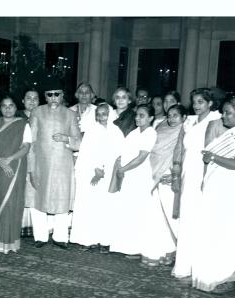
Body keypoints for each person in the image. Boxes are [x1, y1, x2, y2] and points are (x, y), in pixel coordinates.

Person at [110, 104, 174, 265]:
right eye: (137, 115)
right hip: (130, 175)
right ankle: (130, 246)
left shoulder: (150, 133)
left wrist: (123, 169)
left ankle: (140, 247)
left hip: (141, 175)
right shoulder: (134, 132)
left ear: (151, 118)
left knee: (140, 211)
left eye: (142, 115)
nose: (138, 118)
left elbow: (141, 157)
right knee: (130, 210)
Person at [172, 88, 221, 280]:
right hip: (188, 172)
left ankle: (198, 266)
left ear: (210, 103)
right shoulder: (190, 121)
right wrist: (177, 171)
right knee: (187, 217)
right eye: (194, 102)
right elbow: (180, 147)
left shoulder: (217, 121)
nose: (196, 105)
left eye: (201, 102)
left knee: (200, 218)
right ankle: (183, 264)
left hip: (204, 172)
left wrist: (206, 176)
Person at [27, 77, 81, 249]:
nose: (53, 98)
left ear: (62, 95)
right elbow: (30, 142)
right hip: (41, 164)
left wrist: (66, 139)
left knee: (62, 200)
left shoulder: (70, 114)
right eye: (49, 95)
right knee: (38, 199)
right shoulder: (37, 112)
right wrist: (31, 168)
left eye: (56, 94)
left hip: (63, 166)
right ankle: (40, 236)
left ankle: (60, 237)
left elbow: (79, 142)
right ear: (45, 96)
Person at [191, 97, 235, 293]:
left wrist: (214, 157)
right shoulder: (230, 134)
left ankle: (225, 276)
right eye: (224, 112)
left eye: (228, 113)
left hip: (228, 189)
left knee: (224, 232)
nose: (224, 116)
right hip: (216, 187)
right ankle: (210, 273)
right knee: (211, 230)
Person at [69, 103, 124, 252]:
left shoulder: (116, 131)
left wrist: (107, 170)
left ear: (110, 113)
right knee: (89, 206)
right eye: (98, 114)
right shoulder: (92, 130)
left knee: (106, 207)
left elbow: (119, 152)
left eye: (104, 113)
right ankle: (87, 240)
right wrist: (97, 169)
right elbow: (88, 152)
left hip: (109, 175)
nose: (101, 116)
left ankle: (105, 241)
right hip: (91, 173)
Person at [0, 95, 31, 254]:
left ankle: (12, 242)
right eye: (4, 106)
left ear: (15, 107)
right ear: (0, 107)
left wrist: (10, 159)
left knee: (14, 203)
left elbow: (26, 147)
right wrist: (1, 162)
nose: (7, 108)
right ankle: (1, 242)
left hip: (16, 167)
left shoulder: (23, 124)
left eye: (11, 105)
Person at [149, 104, 186, 263]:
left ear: (184, 117)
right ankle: (168, 250)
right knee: (159, 216)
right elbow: (154, 150)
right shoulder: (161, 127)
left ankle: (183, 251)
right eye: (169, 115)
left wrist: (175, 174)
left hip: (171, 175)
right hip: (156, 173)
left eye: (175, 115)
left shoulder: (186, 130)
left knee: (173, 215)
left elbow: (184, 154)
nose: (171, 119)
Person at [15, 89, 40, 238]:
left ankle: (32, 228)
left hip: (36, 159)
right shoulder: (16, 115)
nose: (32, 101)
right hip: (18, 158)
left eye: (35, 98)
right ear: (23, 101)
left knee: (33, 192)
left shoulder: (43, 116)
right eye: (28, 98)